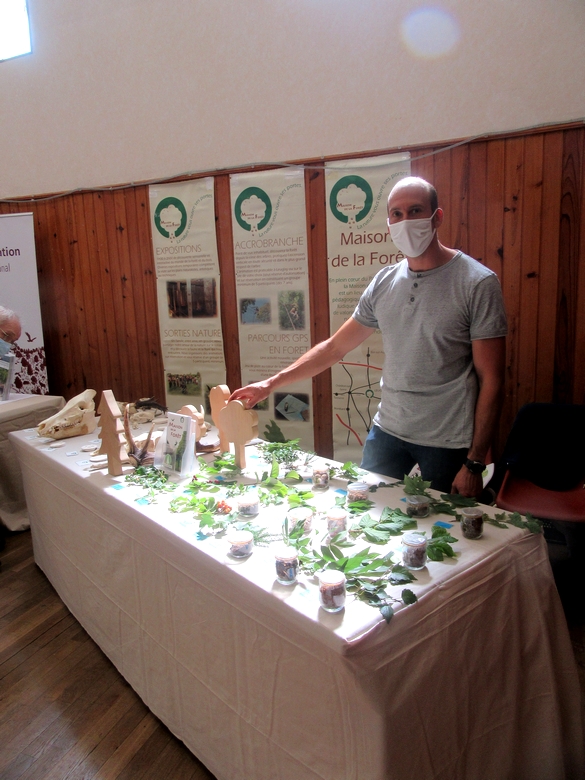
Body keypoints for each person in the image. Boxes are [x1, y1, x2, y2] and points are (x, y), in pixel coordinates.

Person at [230, 177, 508, 497]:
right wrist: (270, 384)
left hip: (447, 442)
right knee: (367, 512)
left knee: (440, 532)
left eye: (415, 211)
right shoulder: (384, 282)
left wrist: (474, 462)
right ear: (389, 222)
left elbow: (492, 380)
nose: (405, 221)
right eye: (396, 214)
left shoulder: (477, 283)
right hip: (388, 431)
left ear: (437, 217)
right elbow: (335, 348)